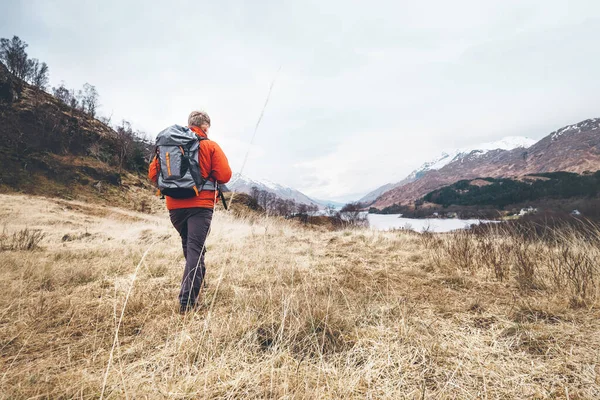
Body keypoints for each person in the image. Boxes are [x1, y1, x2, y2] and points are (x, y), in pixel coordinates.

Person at [148, 111, 232, 313]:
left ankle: (197, 282)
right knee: (195, 249)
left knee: (191, 247)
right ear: (205, 127)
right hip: (200, 206)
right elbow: (225, 176)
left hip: (174, 207)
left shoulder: (171, 146)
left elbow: (153, 175)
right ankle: (187, 301)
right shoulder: (210, 146)